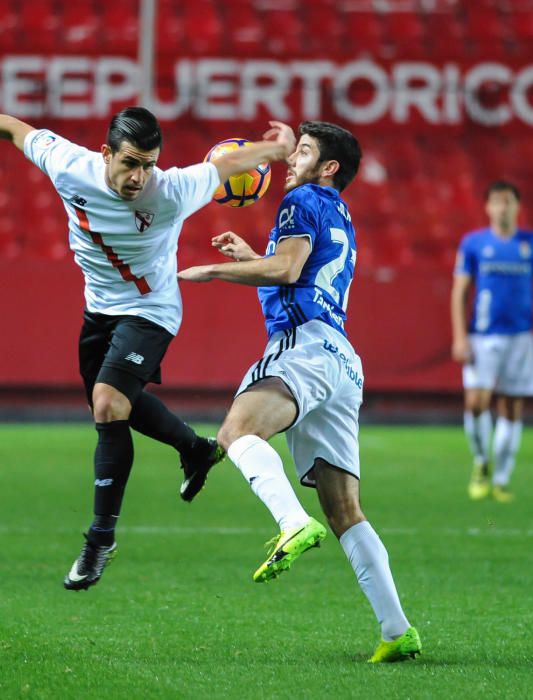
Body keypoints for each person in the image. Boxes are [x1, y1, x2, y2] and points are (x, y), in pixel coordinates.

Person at [0, 89, 296, 591]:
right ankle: (194, 448)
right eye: (130, 163)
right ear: (106, 155)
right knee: (116, 407)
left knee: (108, 404)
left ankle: (100, 539)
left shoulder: (170, 190)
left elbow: (225, 165)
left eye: (148, 165)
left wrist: (275, 150)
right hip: (99, 311)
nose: (139, 177)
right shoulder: (70, 165)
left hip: (152, 311)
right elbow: (13, 128)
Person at [178, 121, 421, 663]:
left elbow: (288, 269)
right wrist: (249, 257)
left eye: (304, 151)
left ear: (328, 167)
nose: (291, 160)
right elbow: (300, 270)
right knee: (345, 510)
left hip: (304, 345)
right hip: (341, 359)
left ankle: (290, 522)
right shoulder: (338, 211)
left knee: (238, 429)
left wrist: (216, 271)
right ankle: (397, 630)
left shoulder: (302, 198)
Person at [450, 181, 533, 503]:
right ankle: (481, 462)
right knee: (476, 402)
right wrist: (460, 336)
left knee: (512, 408)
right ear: (488, 207)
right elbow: (460, 291)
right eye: (497, 202)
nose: (503, 207)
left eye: (508, 202)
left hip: (520, 338)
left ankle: (501, 478)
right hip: (482, 335)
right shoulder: (474, 244)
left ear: (517, 206)